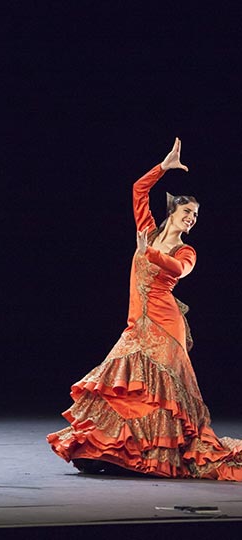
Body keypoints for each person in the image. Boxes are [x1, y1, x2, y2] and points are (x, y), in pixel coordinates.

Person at [47, 138, 242, 480]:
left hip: (166, 325)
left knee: (160, 394)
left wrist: (148, 253)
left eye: (195, 216)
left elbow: (178, 269)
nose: (191, 219)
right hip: (138, 323)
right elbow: (138, 190)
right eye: (187, 213)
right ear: (173, 213)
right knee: (123, 386)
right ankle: (111, 452)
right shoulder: (148, 233)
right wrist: (164, 167)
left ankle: (157, 457)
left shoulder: (186, 251)